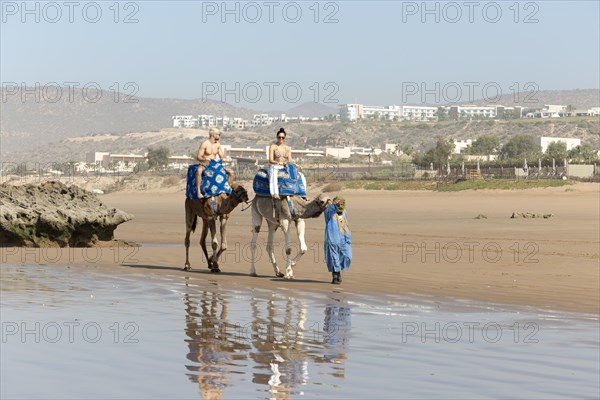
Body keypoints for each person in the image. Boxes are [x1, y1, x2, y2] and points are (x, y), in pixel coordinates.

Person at [268, 128, 307, 199]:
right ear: (277, 137)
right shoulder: (273, 147)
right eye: (279, 137)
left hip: (285, 166)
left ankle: (303, 194)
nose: (281, 139)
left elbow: (290, 160)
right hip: (275, 166)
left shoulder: (287, 148)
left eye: (282, 137)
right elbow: (270, 160)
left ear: (285, 138)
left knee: (301, 175)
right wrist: (277, 162)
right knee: (273, 174)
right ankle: (275, 193)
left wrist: (296, 164)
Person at [195, 127, 233, 199]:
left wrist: (225, 159)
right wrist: (205, 158)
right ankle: (198, 192)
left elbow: (221, 156)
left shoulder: (218, 145)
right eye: (218, 134)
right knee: (199, 171)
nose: (219, 136)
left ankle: (227, 189)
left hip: (215, 164)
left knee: (231, 172)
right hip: (205, 164)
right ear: (214, 135)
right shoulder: (205, 144)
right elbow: (198, 157)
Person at [323, 196, 352, 284]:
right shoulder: (329, 211)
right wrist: (334, 205)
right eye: (337, 201)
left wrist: (347, 235)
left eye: (341, 202)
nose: (339, 204)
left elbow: (345, 222)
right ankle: (336, 275)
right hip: (333, 236)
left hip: (344, 236)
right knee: (334, 256)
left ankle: (339, 270)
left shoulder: (344, 212)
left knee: (347, 256)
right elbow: (331, 210)